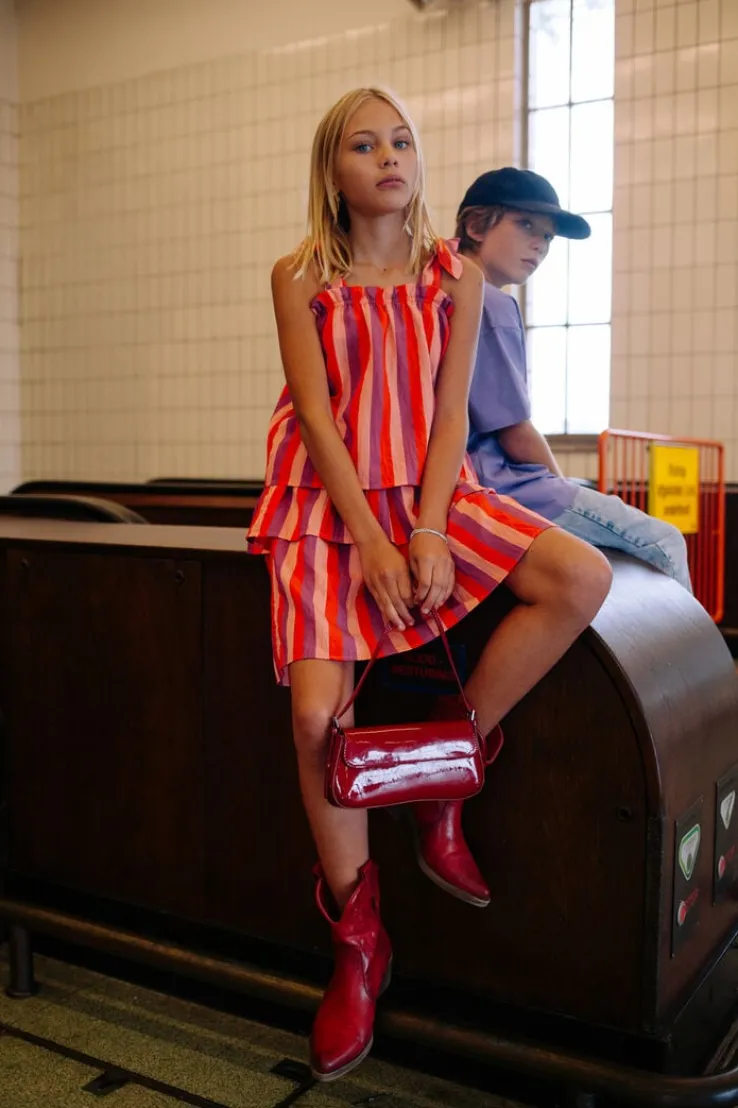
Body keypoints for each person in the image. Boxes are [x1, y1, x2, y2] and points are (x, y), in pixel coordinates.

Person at [246, 89, 612, 1082]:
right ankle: (359, 943)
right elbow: (316, 419)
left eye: (401, 141)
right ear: (333, 171)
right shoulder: (300, 275)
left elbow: (452, 416)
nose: (389, 157)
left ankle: (444, 776)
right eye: (365, 145)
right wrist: (371, 541)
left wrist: (427, 527)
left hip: (428, 493)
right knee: (315, 719)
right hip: (325, 505)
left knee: (578, 577)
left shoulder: (456, 275)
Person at [455, 167, 692, 591]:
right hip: (496, 485)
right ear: (475, 225)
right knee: (665, 540)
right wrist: (560, 485)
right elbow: (516, 433)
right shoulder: (491, 303)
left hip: (450, 485)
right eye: (526, 225)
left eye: (547, 236)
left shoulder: (431, 288)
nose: (540, 245)